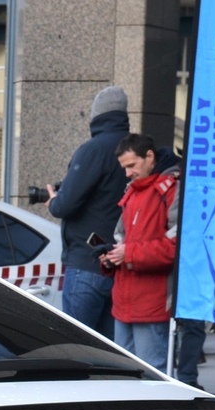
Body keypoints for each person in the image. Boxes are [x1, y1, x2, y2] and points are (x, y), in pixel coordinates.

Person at [46, 86, 132, 341]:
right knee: (110, 353)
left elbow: (65, 205)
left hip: (87, 262)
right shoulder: (133, 151)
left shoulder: (93, 150)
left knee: (78, 347)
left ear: (96, 116)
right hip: (119, 265)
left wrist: (53, 200)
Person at [100, 133, 179, 373]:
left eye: (131, 165)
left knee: (151, 374)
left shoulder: (170, 190)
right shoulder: (134, 191)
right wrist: (111, 258)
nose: (127, 173)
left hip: (151, 302)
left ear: (150, 157)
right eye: (124, 167)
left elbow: (175, 249)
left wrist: (127, 254)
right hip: (128, 300)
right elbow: (121, 240)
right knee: (127, 375)